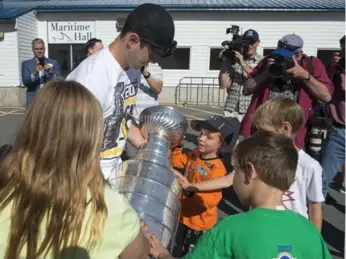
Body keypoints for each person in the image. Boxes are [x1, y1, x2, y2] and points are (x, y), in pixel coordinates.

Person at [0, 79, 150, 259]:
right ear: (93, 138)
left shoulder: (6, 191)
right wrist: (138, 233)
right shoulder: (113, 207)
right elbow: (139, 254)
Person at [149, 131, 332, 259]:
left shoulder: (229, 229)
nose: (233, 177)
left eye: (235, 170)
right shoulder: (310, 232)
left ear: (250, 172)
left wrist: (162, 253)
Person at [175, 98, 324, 231]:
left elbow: (315, 206)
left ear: (285, 129)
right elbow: (228, 179)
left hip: (293, 231)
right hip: (262, 228)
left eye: (263, 131)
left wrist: (313, 239)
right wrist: (193, 187)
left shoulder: (309, 166)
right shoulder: (258, 157)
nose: (257, 136)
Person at [67, 3, 177, 181]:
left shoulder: (132, 69)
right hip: (87, 179)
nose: (153, 59)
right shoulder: (89, 80)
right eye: (152, 53)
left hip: (112, 172)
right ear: (133, 40)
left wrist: (146, 148)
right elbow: (69, 147)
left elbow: (121, 118)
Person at [241, 34, 334, 149]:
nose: (281, 60)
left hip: (293, 136)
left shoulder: (311, 64)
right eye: (279, 55)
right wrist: (266, 72)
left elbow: (326, 96)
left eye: (286, 57)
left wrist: (305, 76)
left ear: (299, 55)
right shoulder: (268, 61)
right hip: (262, 133)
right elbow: (246, 89)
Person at [170, 116, 240, 257]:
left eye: (209, 137)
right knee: (177, 248)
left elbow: (210, 202)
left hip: (200, 224)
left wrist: (190, 191)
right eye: (201, 134)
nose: (201, 138)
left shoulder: (218, 169)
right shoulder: (195, 153)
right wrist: (177, 146)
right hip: (183, 215)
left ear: (222, 144)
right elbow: (177, 161)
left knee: (193, 254)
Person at [219, 29, 263, 122]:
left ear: (258, 43)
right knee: (228, 136)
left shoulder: (262, 61)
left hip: (250, 108)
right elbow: (223, 85)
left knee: (249, 136)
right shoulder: (234, 60)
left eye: (252, 42)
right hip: (231, 107)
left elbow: (258, 79)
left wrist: (242, 63)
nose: (249, 45)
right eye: (246, 42)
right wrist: (224, 63)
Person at [321, 35, 345, 197]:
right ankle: (313, 221)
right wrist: (331, 68)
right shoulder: (337, 69)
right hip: (338, 131)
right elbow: (323, 90)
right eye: (343, 49)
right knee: (321, 182)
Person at [125, 61, 164, 158]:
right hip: (132, 119)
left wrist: (145, 73)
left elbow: (158, 88)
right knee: (134, 155)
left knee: (150, 153)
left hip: (150, 120)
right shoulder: (129, 68)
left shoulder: (155, 67)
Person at [21, 38, 61, 109]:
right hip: (33, 98)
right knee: (33, 119)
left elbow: (59, 81)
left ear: (44, 49)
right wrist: (35, 73)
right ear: (33, 50)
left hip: (50, 98)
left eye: (41, 49)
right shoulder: (26, 64)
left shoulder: (53, 63)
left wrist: (51, 72)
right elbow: (25, 82)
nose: (39, 51)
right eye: (36, 49)